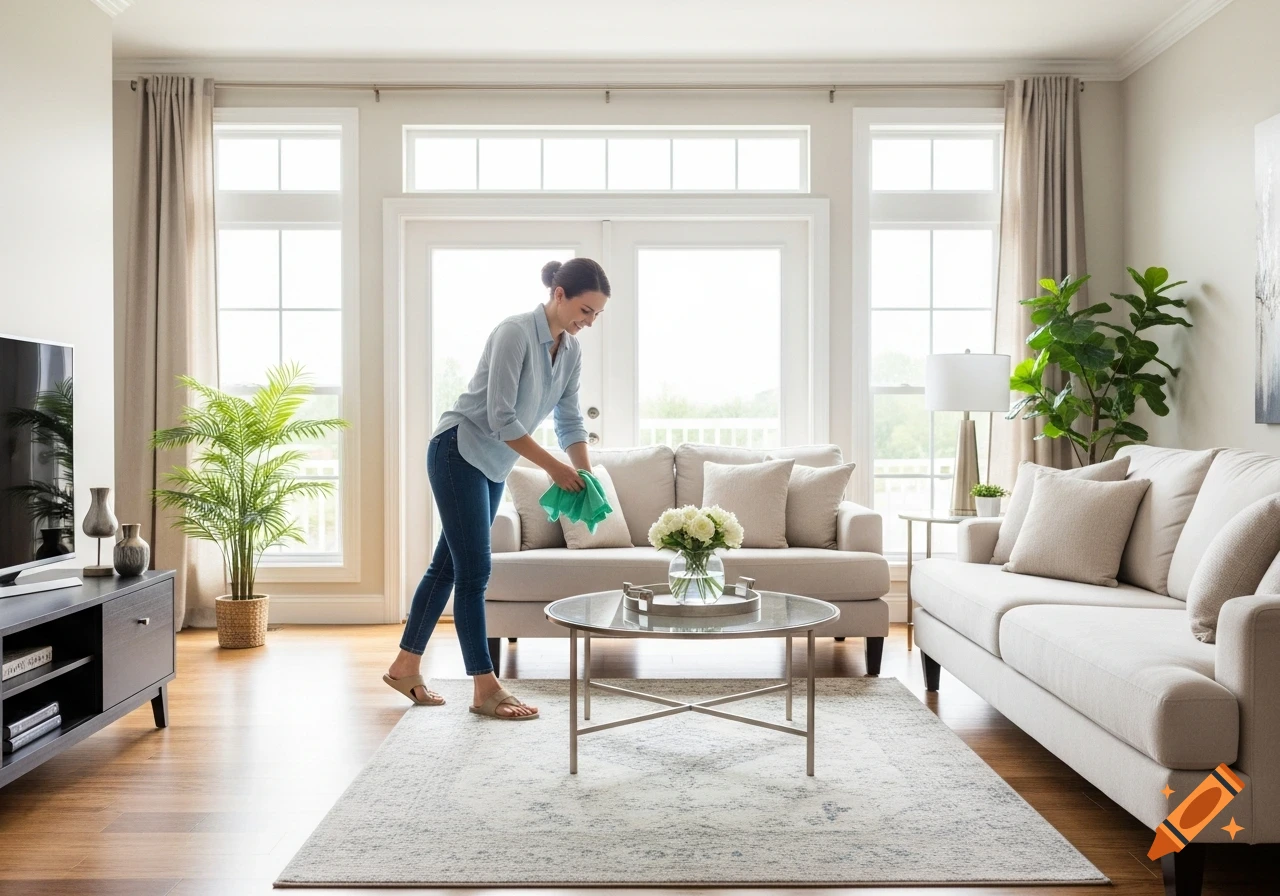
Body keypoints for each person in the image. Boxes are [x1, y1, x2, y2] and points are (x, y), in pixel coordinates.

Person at [383, 258, 610, 719]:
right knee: (474, 573)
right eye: (584, 310)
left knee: (447, 567)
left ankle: (404, 666)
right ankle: (485, 688)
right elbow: (501, 418)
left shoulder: (570, 352)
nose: (588, 322)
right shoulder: (514, 333)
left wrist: (584, 476)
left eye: (596, 316)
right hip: (458, 451)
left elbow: (569, 421)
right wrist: (553, 471)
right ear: (559, 294)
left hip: (493, 463)